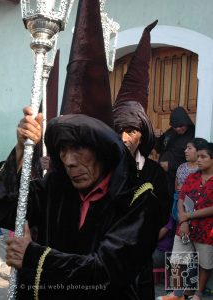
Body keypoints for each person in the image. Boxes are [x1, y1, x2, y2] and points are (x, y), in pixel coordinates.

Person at [0, 107, 167, 299]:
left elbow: (107, 274)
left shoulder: (138, 201)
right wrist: (21, 148)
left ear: (102, 151)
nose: (69, 161)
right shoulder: (54, 188)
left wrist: (33, 256)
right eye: (63, 150)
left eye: (78, 149)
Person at [112, 20, 170, 299]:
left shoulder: (155, 174)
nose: (124, 137)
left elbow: (161, 217)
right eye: (118, 130)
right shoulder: (97, 169)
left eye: (130, 131)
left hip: (138, 268)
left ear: (142, 134)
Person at [158, 141, 213, 300]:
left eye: (204, 157)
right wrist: (183, 221)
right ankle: (177, 294)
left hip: (206, 230)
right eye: (199, 156)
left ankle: (198, 294)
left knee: (205, 263)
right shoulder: (192, 177)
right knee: (178, 259)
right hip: (185, 227)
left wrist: (188, 217)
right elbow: (182, 197)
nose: (199, 160)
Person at [154, 107, 195, 200]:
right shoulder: (170, 132)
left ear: (186, 122)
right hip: (163, 175)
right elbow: (159, 149)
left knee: (172, 202)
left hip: (178, 178)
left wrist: (170, 165)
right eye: (175, 126)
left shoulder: (193, 134)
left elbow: (194, 161)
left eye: (181, 126)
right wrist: (158, 138)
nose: (178, 129)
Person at [172, 138, 207, 222]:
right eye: (186, 148)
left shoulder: (203, 169)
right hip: (179, 208)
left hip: (197, 211)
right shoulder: (181, 167)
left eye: (189, 148)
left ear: (199, 151)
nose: (185, 151)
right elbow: (176, 188)